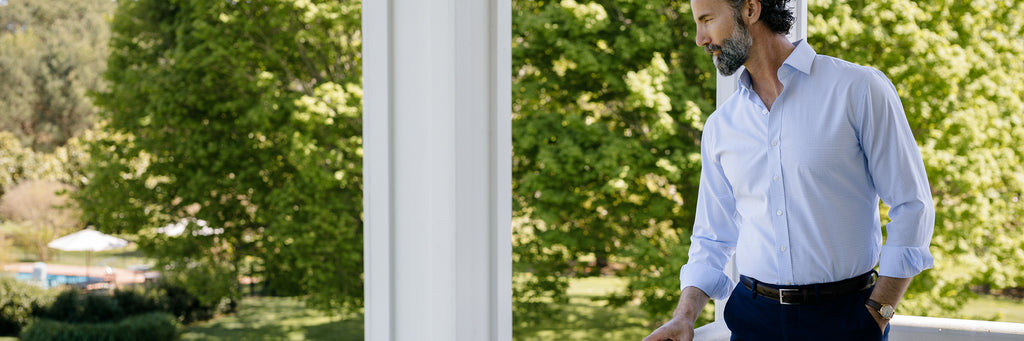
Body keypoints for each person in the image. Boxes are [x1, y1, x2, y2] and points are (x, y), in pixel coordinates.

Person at [643, 0, 934, 340]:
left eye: (707, 20)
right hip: (753, 320)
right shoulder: (722, 125)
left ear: (750, 10)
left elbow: (912, 205)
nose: (699, 38)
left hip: (846, 320)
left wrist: (878, 313)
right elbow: (712, 236)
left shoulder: (858, 89)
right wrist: (685, 315)